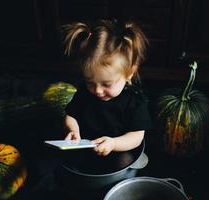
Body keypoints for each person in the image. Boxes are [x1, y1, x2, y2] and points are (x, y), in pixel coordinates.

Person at [62, 19, 153, 157]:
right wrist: (73, 130)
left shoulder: (135, 101)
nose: (97, 90)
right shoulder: (84, 93)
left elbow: (137, 137)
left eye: (107, 84)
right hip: (86, 149)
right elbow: (71, 116)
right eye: (90, 82)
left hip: (120, 152)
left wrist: (113, 144)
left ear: (129, 73)